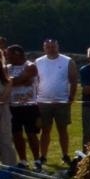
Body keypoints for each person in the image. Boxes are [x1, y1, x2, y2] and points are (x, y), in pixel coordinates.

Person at [33, 38, 79, 167]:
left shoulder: (67, 61)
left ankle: (65, 155)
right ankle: (43, 156)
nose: (51, 49)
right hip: (43, 102)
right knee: (45, 130)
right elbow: (35, 82)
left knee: (62, 130)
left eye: (53, 46)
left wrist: (71, 97)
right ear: (44, 48)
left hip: (62, 101)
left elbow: (73, 80)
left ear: (57, 47)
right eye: (48, 47)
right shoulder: (38, 62)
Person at [3, 44, 39, 165]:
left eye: (8, 54)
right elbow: (7, 82)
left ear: (17, 54)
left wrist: (13, 81)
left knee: (31, 134)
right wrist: (18, 81)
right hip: (13, 106)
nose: (6, 57)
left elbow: (17, 80)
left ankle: (37, 160)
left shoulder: (30, 66)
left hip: (29, 106)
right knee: (16, 134)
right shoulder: (6, 68)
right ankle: (23, 160)